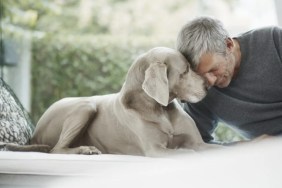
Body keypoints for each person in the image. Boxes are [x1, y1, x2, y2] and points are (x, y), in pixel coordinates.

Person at [176, 16, 282, 143]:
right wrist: (247, 147)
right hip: (269, 154)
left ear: (228, 45)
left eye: (213, 69)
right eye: (201, 76)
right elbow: (195, 144)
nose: (210, 81)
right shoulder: (199, 90)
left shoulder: (273, 40)